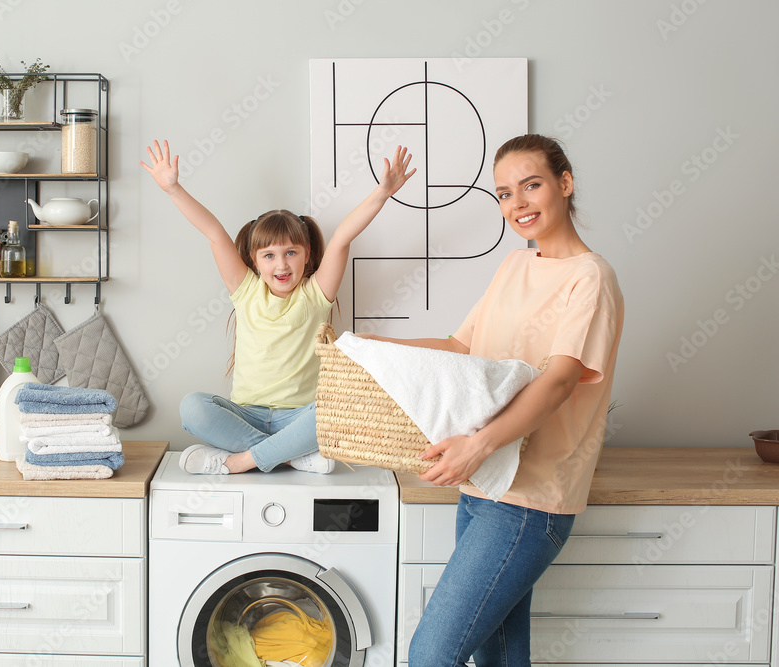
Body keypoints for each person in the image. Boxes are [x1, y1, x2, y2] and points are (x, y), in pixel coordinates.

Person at [368, 134, 624, 666]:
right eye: (505, 194)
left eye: (531, 185)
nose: (518, 204)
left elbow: (558, 380)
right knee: (500, 658)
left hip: (531, 501)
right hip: (485, 484)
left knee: (431, 654)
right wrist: (366, 343)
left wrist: (477, 446)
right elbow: (459, 348)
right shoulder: (514, 266)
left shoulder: (591, 277)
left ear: (565, 183)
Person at [140, 139, 415, 475]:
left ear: (307, 255)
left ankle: (242, 461)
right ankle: (291, 457)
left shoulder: (316, 294)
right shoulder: (245, 291)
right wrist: (173, 189)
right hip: (246, 414)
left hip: (300, 416)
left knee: (345, 405)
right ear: (255, 262)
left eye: (291, 253)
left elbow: (342, 237)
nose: (281, 265)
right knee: (192, 407)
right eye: (269, 256)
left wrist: (382, 193)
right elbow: (214, 233)